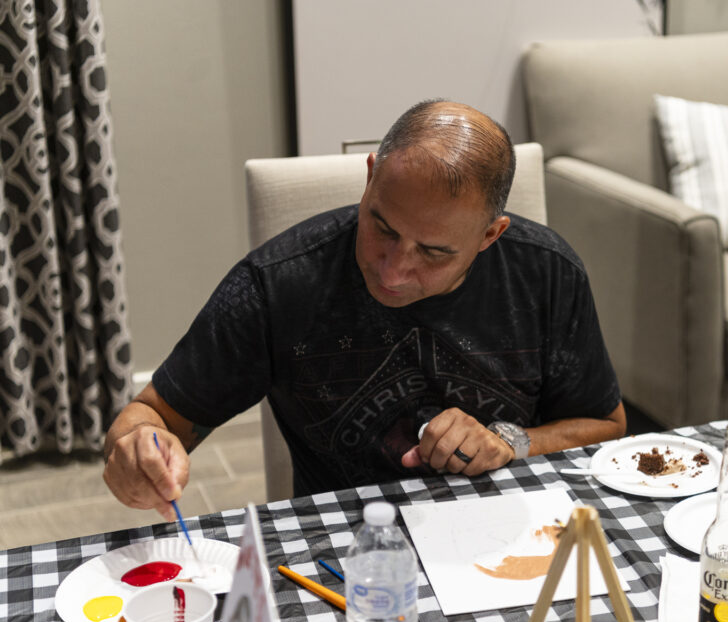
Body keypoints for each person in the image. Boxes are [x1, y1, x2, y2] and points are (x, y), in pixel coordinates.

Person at [103, 100, 626, 521]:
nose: (394, 270)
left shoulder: (546, 273)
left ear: (491, 235)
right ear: (371, 176)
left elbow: (605, 423)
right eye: (384, 229)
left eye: (434, 252)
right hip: (342, 545)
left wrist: (510, 442)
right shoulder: (280, 283)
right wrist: (137, 451)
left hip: (507, 527)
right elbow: (153, 415)